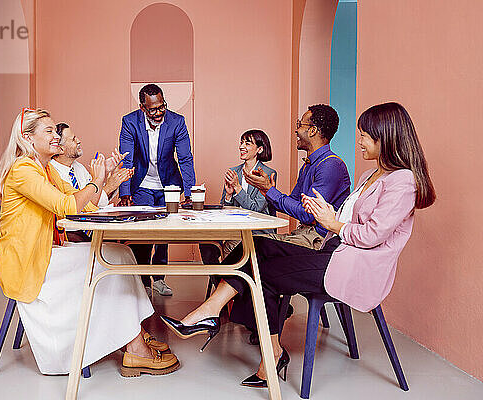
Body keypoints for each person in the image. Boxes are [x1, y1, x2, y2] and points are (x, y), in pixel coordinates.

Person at [161, 102, 435, 388]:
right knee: (256, 251)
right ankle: (240, 332)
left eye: (365, 135)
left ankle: (222, 322)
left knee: (260, 270)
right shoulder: (370, 176)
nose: (359, 140)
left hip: (353, 266)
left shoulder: (403, 181)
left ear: (386, 138)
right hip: (335, 251)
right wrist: (321, 216)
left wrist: (332, 223)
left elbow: (372, 235)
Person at [0, 108, 179, 376]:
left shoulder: (45, 171)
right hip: (29, 261)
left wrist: (104, 180)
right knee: (110, 260)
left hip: (47, 250)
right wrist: (97, 180)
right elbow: (66, 206)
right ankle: (134, 347)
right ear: (28, 138)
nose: (57, 136)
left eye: (56, 131)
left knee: (121, 253)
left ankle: (134, 333)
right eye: (50, 131)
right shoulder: (23, 169)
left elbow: (85, 204)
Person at [230, 105, 351, 342]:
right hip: (303, 234)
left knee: (253, 250)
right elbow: (293, 203)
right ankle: (253, 319)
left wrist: (269, 190)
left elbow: (309, 215)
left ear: (314, 130)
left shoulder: (331, 165)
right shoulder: (309, 164)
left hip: (317, 241)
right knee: (247, 250)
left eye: (301, 125)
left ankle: (246, 319)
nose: (296, 130)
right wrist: (268, 191)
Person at [118, 84, 196, 296]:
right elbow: (127, 160)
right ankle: (142, 282)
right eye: (153, 109)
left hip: (167, 183)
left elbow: (185, 158)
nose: (159, 112)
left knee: (163, 232)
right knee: (142, 233)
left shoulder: (176, 121)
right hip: (142, 183)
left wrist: (189, 192)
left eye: (162, 106)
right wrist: (124, 192)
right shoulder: (130, 122)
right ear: (142, 107)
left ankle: (159, 278)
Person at [199, 129, 277, 266]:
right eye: (241, 143)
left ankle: (229, 278)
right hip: (234, 227)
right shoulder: (234, 171)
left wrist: (238, 188)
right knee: (206, 242)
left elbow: (257, 209)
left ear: (259, 149)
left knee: (232, 246)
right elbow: (225, 209)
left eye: (247, 143)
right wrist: (228, 196)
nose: (241, 146)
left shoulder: (268, 174)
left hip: (256, 230)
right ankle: (219, 278)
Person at [49, 122, 122, 242]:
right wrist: (107, 184)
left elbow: (95, 201)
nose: (78, 141)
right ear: (60, 149)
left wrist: (104, 173)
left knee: (120, 242)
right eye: (73, 139)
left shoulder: (78, 168)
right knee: (117, 248)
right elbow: (85, 206)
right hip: (71, 231)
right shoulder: (52, 173)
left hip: (88, 228)